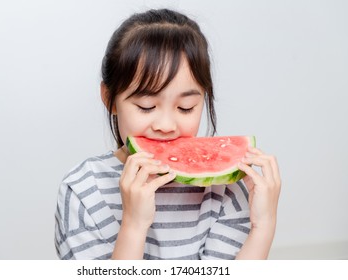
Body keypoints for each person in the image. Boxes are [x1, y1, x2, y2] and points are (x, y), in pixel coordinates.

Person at [55, 8, 281, 260]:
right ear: (110, 99)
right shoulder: (83, 192)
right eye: (146, 106)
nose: (166, 124)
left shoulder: (224, 190)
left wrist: (263, 227)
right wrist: (133, 225)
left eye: (186, 108)